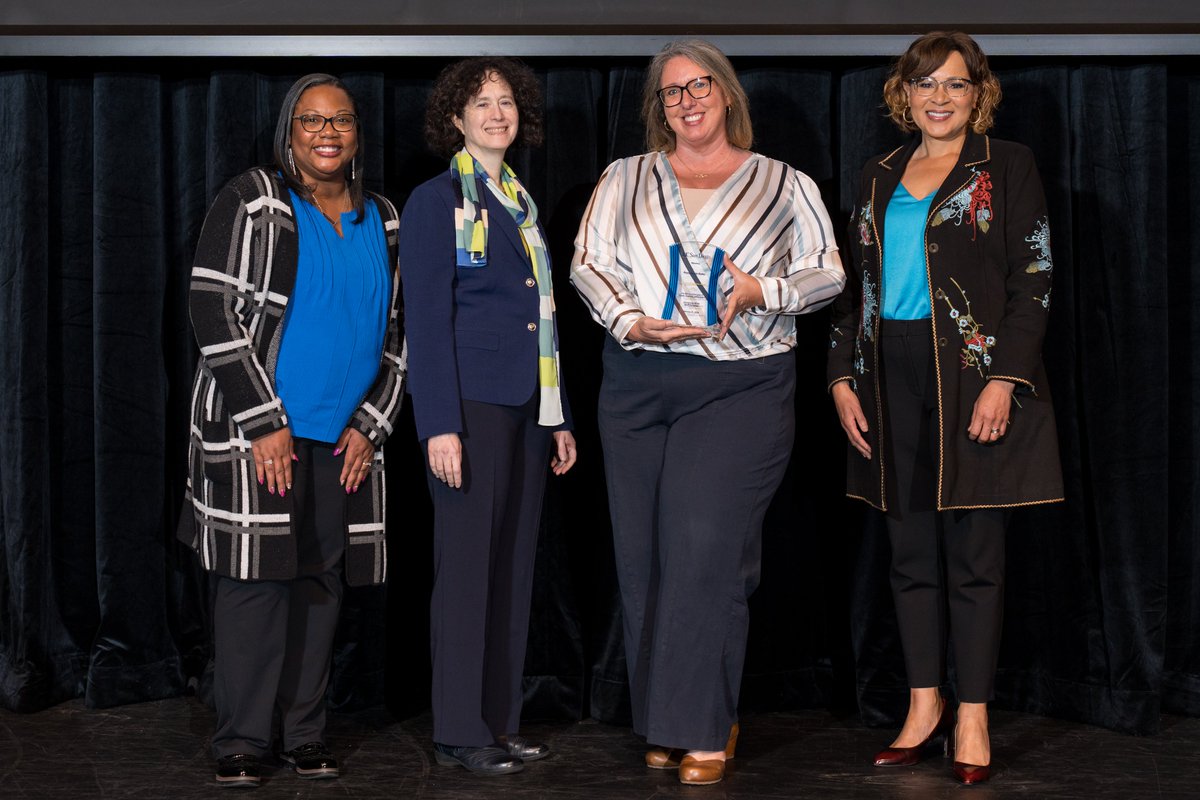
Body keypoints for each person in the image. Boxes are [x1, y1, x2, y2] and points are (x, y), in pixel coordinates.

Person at [571, 39, 845, 786]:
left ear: (727, 94)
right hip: (635, 383)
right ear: (659, 108)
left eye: (700, 87)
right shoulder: (624, 177)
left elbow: (828, 271)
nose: (687, 102)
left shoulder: (782, 184)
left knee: (703, 552)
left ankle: (699, 727)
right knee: (645, 563)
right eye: (671, 93)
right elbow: (588, 262)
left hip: (740, 386)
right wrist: (630, 319)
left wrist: (765, 292)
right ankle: (672, 718)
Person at [827, 31, 1064, 786]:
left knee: (974, 555)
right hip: (887, 373)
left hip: (969, 372)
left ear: (977, 94)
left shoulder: (1009, 165)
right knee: (907, 553)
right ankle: (923, 705)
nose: (939, 98)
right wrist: (840, 378)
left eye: (955, 85)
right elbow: (852, 286)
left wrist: (1004, 380)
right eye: (926, 84)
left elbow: (1035, 280)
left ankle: (971, 713)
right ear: (905, 94)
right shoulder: (877, 174)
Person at [181, 73, 406, 788]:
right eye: (312, 121)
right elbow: (210, 308)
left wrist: (373, 425)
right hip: (263, 435)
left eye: (341, 120)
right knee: (255, 584)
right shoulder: (257, 200)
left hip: (343, 441)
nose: (328, 133)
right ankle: (242, 740)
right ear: (289, 132)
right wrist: (262, 422)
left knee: (320, 584)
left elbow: (401, 334)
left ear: (356, 133)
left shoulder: (384, 217)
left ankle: (305, 734)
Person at [399, 57, 577, 776]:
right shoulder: (434, 200)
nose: (496, 113)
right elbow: (428, 320)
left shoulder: (519, 201)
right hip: (469, 407)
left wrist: (558, 414)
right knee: (468, 570)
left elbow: (542, 320)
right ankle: (458, 729)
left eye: (507, 102)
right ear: (455, 118)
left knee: (512, 569)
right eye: (481, 102)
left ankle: (499, 721)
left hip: (529, 408)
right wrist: (438, 421)